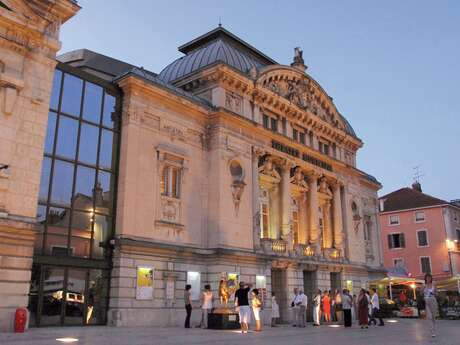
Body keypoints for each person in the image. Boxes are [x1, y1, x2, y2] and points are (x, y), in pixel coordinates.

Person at [423, 273, 438, 337]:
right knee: (429, 317)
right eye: (427, 278)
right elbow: (421, 293)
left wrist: (434, 293)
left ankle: (434, 330)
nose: (428, 279)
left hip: (433, 300)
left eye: (429, 277)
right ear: (425, 279)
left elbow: (436, 293)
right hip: (427, 301)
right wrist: (421, 290)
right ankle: (432, 332)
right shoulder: (423, 285)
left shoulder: (434, 284)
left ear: (431, 278)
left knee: (433, 317)